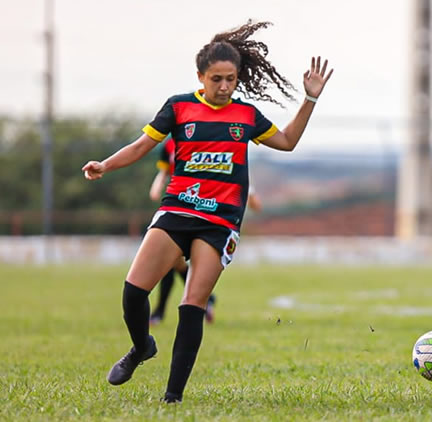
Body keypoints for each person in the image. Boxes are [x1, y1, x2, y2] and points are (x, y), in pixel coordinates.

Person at [82, 19, 333, 403]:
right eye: (216, 78)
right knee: (134, 291)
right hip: (177, 212)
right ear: (200, 76)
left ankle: (173, 397)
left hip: (219, 222)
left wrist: (310, 99)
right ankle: (140, 348)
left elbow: (288, 142)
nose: (224, 86)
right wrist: (105, 164)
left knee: (192, 304)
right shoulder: (179, 107)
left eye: (231, 79)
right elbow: (139, 146)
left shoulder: (246, 116)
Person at [147, 137, 263, 325]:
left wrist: (248, 194)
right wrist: (158, 186)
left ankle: (165, 310)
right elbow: (164, 171)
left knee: (176, 262)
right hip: (179, 208)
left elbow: (224, 172)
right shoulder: (169, 143)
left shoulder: (212, 140)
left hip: (208, 214)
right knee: (171, 261)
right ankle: (193, 303)